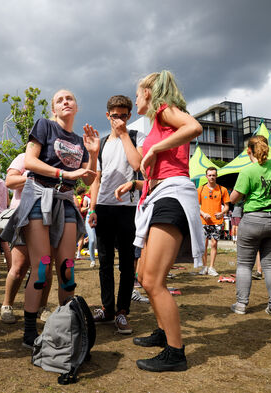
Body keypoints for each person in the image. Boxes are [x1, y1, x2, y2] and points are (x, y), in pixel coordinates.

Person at [115, 70, 203, 372]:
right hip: (156, 196)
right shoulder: (155, 123)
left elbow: (194, 127)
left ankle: (175, 352)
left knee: (152, 280)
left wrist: (154, 148)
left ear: (150, 93)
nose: (136, 98)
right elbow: (139, 164)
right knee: (144, 273)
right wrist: (124, 134)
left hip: (173, 195)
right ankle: (164, 331)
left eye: (138, 93)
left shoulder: (166, 111)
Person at [3, 89, 99, 348]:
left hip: (66, 203)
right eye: (60, 100)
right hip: (39, 199)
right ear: (54, 110)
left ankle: (66, 326)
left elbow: (89, 178)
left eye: (70, 99)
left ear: (76, 107)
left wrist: (94, 153)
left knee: (67, 268)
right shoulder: (44, 126)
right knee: (42, 266)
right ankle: (29, 331)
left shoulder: (80, 141)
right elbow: (31, 162)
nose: (66, 101)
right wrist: (62, 174)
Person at [88, 95, 145, 335]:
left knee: (126, 263)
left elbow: (138, 165)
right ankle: (107, 308)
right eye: (114, 116)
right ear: (107, 116)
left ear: (129, 116)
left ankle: (122, 311)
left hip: (128, 207)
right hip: (104, 206)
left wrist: (123, 134)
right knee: (104, 263)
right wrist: (92, 207)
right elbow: (95, 179)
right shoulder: (100, 143)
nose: (119, 120)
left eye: (123, 116)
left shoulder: (135, 136)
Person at [229, 135, 271, 317]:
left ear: (248, 151)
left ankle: (241, 304)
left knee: (244, 264)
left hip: (253, 220)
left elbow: (233, 198)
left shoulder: (248, 171)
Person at [0, 153, 53, 324]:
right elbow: (10, 182)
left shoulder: (56, 160)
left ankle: (41, 307)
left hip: (49, 215)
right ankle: (7, 305)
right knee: (19, 266)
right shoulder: (24, 157)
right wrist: (34, 178)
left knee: (45, 265)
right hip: (24, 215)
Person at [197, 167, 230, 276]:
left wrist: (222, 213)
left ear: (216, 176)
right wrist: (203, 213)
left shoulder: (222, 189)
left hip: (217, 221)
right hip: (203, 221)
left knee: (214, 244)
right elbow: (196, 205)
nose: (211, 177)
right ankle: (204, 267)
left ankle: (211, 267)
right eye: (210, 175)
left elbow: (227, 206)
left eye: (213, 175)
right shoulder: (200, 189)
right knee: (204, 245)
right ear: (206, 176)